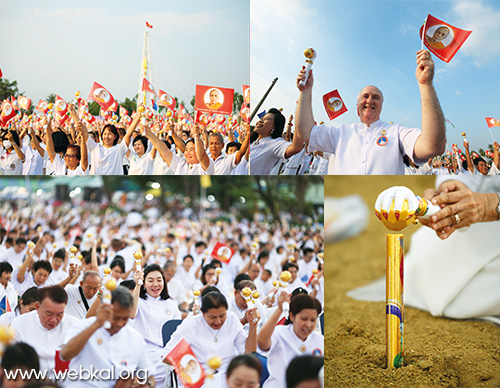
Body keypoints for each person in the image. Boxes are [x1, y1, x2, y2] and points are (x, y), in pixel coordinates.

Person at [295, 49, 446, 174]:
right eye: (365, 97)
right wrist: (305, 92)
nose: (369, 101)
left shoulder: (397, 131)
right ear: (357, 106)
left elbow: (433, 146)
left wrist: (425, 84)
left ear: (381, 105)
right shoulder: (340, 132)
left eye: (376, 97)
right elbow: (305, 133)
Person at [60, 286, 156, 388]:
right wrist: (96, 324)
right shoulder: (83, 326)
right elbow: (65, 355)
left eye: (125, 319)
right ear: (104, 309)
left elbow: (149, 375)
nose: (120, 323)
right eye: (115, 317)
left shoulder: (134, 338)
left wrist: (147, 385)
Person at [162, 291, 260, 386]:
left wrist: (253, 326)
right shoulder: (191, 324)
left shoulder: (232, 319)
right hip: (202, 381)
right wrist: (193, 371)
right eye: (212, 317)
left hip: (229, 379)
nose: (218, 321)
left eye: (222, 316)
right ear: (202, 313)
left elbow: (249, 353)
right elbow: (166, 355)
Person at [11, 285, 80, 379]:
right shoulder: (19, 324)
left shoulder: (75, 325)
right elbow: (10, 360)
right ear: (37, 307)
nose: (54, 320)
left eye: (60, 314)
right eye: (49, 314)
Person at [258, 293, 323, 388]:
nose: (308, 325)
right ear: (292, 316)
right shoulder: (279, 333)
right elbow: (262, 343)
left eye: (313, 320)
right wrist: (279, 310)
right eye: (304, 319)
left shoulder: (319, 340)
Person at [131, 264, 181, 387]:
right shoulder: (139, 302)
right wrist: (137, 284)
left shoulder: (171, 304)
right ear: (144, 283)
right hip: (145, 355)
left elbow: (179, 333)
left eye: (159, 280)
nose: (155, 284)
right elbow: (131, 313)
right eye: (150, 280)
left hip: (166, 356)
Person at [249, 108, 304, 175]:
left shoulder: (276, 143)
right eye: (262, 119)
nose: (260, 121)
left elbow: (296, 147)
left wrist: (298, 118)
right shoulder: (252, 141)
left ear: (275, 127)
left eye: (267, 119)